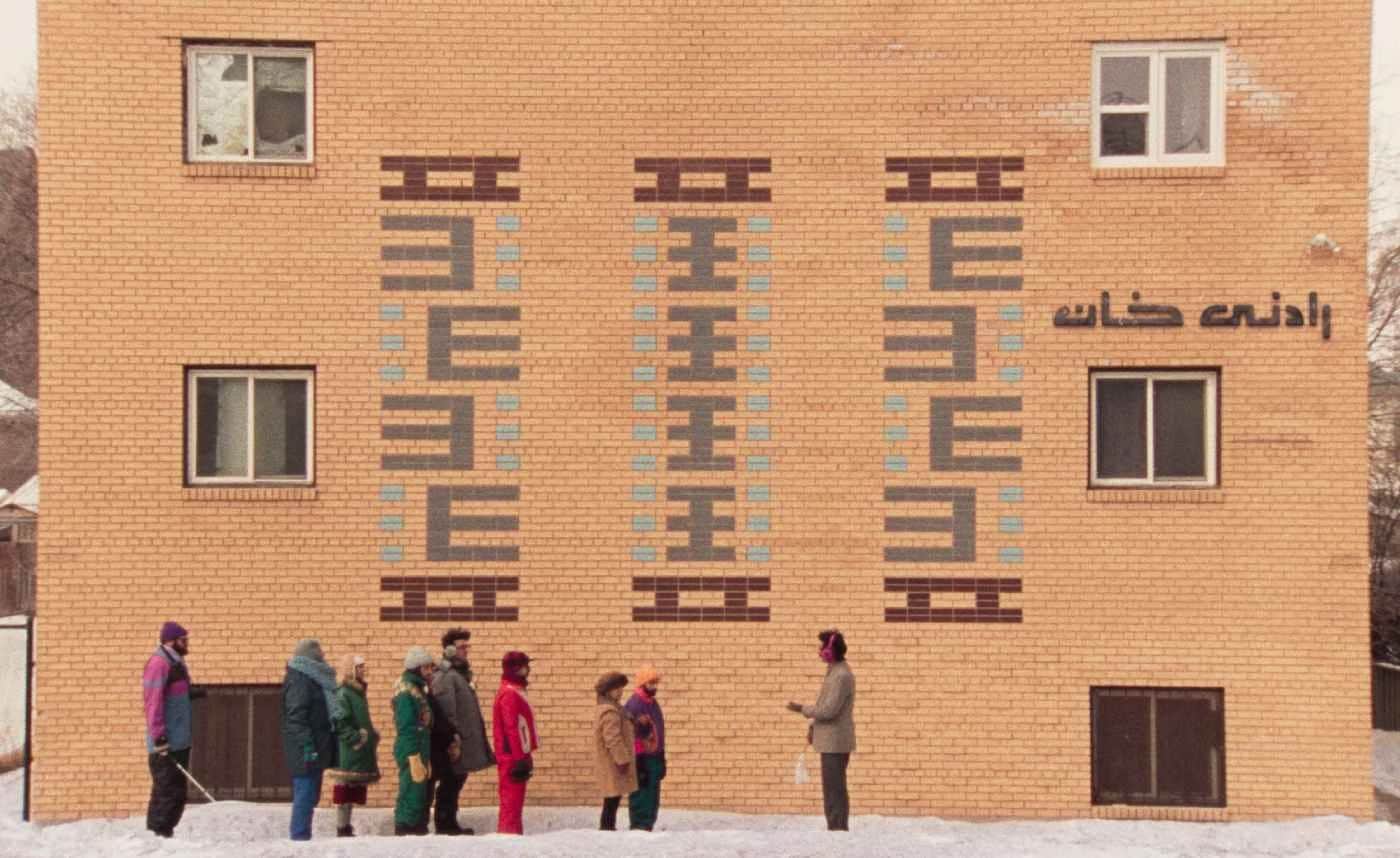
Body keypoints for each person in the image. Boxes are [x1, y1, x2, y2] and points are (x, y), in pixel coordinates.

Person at [786, 630, 855, 831]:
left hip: (835, 742)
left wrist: (802, 709)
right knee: (832, 788)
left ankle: (838, 830)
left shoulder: (841, 675)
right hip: (830, 740)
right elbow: (825, 706)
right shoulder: (834, 672)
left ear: (830, 651)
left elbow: (829, 710)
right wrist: (813, 727)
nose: (819, 651)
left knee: (834, 789)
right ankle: (835, 827)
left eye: (822, 647)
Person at [428, 628, 495, 835]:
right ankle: (445, 824)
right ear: (449, 650)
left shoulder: (459, 675)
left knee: (456, 780)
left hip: (462, 740)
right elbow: (447, 711)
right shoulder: (446, 677)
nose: (466, 650)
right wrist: (453, 740)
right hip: (453, 742)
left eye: (467, 646)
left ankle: (450, 822)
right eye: (461, 647)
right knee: (450, 781)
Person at [142, 621, 202, 838]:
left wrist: (191, 694)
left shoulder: (177, 663)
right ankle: (157, 835)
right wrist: (159, 737)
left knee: (177, 793)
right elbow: (153, 702)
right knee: (166, 792)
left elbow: (172, 694)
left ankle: (166, 834)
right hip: (166, 743)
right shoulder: (159, 664)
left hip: (180, 740)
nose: (187, 644)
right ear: (171, 641)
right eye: (183, 640)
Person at [281, 638, 341, 841]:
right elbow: (296, 717)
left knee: (311, 795)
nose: (324, 655)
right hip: (305, 749)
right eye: (320, 652)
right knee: (305, 795)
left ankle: (302, 836)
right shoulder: (300, 680)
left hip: (316, 746)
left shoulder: (313, 678)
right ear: (311, 656)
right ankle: (300, 837)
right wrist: (307, 745)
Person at [326, 654, 380, 838]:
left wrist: (371, 735)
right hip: (347, 749)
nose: (363, 670)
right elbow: (340, 723)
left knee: (350, 788)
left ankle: (346, 826)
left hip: (356, 748)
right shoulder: (344, 693)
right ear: (351, 669)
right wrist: (356, 738)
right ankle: (342, 827)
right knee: (344, 787)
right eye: (359, 667)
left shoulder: (357, 692)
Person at [492, 650, 538, 835]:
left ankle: (513, 835)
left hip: (516, 754)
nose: (528, 669)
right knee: (511, 802)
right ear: (517, 668)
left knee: (514, 801)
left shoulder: (514, 690)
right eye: (526, 665)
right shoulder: (510, 693)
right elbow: (511, 727)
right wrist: (519, 758)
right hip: (512, 755)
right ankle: (509, 837)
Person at [392, 646, 436, 836]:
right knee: (410, 790)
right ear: (416, 668)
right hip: (412, 748)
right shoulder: (406, 691)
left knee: (419, 791)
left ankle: (417, 827)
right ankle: (405, 827)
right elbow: (406, 725)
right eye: (426, 668)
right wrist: (413, 755)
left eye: (430, 667)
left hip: (420, 746)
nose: (429, 671)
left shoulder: (418, 688)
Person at [593, 672, 637, 831]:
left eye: (621, 688)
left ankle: (608, 829)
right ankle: (606, 830)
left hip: (612, 763)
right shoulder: (610, 712)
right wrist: (622, 760)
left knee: (612, 799)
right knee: (611, 801)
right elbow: (612, 738)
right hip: (613, 763)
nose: (620, 692)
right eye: (616, 689)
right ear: (607, 691)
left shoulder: (615, 709)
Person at [624, 665, 666, 831]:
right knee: (642, 794)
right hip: (642, 758)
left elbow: (658, 730)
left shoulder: (653, 703)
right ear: (642, 684)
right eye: (651, 683)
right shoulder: (635, 704)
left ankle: (648, 825)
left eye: (656, 683)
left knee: (652, 795)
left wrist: (661, 757)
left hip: (654, 756)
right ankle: (639, 826)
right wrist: (639, 762)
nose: (654, 687)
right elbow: (632, 734)